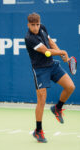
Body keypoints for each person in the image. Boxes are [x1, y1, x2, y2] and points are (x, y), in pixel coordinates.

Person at [25, 13, 75, 143]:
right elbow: (46, 51)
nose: (36, 27)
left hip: (52, 66)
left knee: (70, 87)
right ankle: (38, 131)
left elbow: (50, 42)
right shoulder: (29, 38)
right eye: (33, 25)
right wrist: (63, 52)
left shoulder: (42, 28)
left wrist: (60, 52)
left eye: (37, 24)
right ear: (28, 25)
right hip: (40, 70)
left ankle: (57, 108)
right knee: (42, 99)